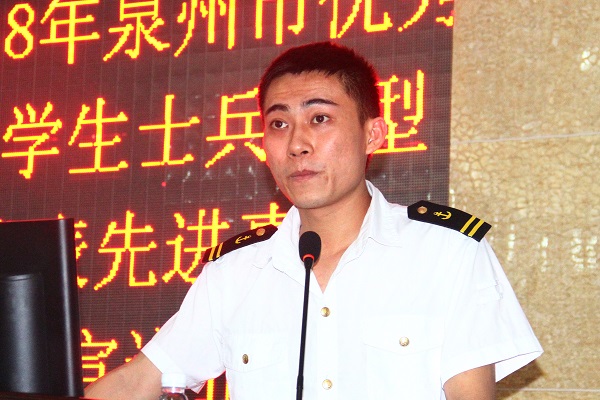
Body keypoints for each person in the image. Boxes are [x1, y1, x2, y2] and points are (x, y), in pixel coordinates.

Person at [85, 42, 542, 400]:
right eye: (278, 124)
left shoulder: (448, 252)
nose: (297, 144)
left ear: (372, 134)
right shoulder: (235, 273)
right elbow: (138, 382)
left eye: (319, 118)